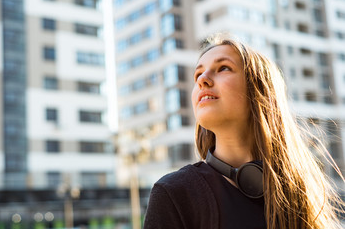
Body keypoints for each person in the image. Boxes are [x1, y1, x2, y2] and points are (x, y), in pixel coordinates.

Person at [143, 34, 344, 229]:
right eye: (198, 74)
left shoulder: (298, 192)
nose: (202, 80)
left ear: (260, 91)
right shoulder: (174, 193)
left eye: (223, 68)